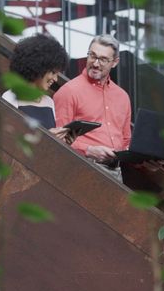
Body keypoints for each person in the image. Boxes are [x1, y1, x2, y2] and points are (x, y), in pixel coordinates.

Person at [53, 34, 130, 181]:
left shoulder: (123, 97)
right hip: (82, 169)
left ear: (115, 62)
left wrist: (144, 160)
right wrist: (88, 150)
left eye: (103, 59)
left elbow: (126, 140)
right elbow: (57, 139)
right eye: (92, 56)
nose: (95, 63)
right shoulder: (68, 92)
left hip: (117, 173)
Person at [2, 33, 71, 142]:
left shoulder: (49, 102)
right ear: (38, 67)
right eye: (53, 72)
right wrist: (46, 137)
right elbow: (10, 141)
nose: (56, 79)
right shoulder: (10, 97)